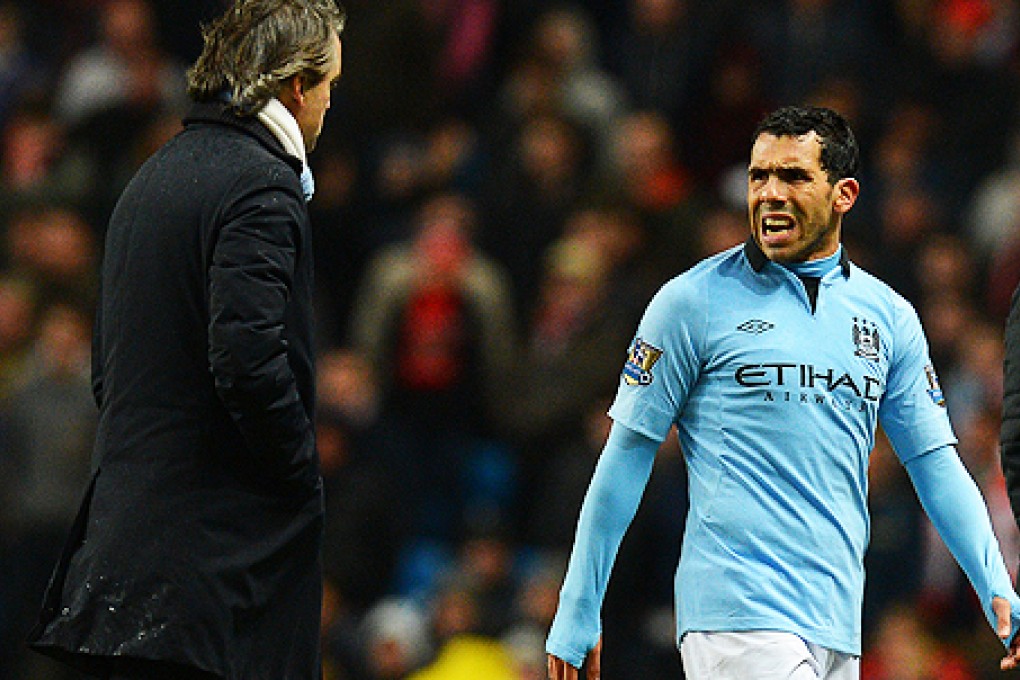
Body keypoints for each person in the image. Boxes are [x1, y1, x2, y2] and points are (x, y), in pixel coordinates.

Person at [546, 105, 1020, 680]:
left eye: (792, 177)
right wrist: (578, 604)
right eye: (758, 176)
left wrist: (996, 581)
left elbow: (935, 465)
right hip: (734, 613)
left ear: (843, 194)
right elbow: (624, 457)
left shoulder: (888, 317)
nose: (769, 193)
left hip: (837, 619)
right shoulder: (691, 303)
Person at [26, 1, 346, 678]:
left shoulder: (151, 179)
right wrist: (298, 475)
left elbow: (106, 371)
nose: (327, 106)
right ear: (295, 86)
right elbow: (247, 358)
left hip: (124, 565)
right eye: (328, 86)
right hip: (214, 581)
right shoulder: (261, 185)